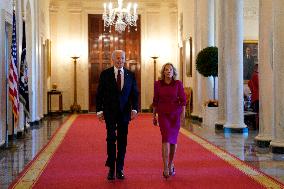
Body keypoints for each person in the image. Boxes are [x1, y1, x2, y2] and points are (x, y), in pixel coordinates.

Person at [96, 50, 139, 180]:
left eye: (122, 58)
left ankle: (120, 168)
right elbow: (99, 94)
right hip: (109, 112)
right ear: (113, 60)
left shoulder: (130, 74)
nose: (120, 61)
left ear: (125, 60)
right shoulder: (105, 74)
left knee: (122, 140)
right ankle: (111, 168)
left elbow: (134, 94)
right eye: (118, 58)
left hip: (124, 113)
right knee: (110, 139)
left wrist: (135, 109)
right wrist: (99, 111)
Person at [152, 63, 186, 179]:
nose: (168, 71)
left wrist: (183, 116)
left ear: (173, 72)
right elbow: (155, 100)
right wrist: (154, 116)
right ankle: (165, 166)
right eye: (166, 70)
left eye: (170, 70)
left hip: (175, 115)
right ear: (163, 72)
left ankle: (171, 163)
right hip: (163, 115)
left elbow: (183, 101)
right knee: (166, 139)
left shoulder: (178, 84)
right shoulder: (158, 84)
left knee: (173, 141)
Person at [248, 64, 259, 128]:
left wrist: (253, 90)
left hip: (255, 96)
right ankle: (257, 125)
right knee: (257, 112)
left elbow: (249, 83)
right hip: (257, 97)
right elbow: (259, 85)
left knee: (256, 112)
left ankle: (256, 125)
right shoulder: (256, 75)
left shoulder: (254, 75)